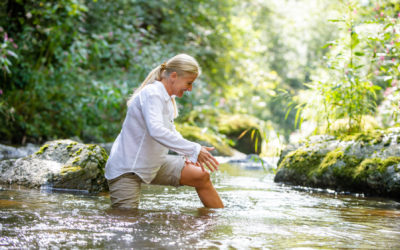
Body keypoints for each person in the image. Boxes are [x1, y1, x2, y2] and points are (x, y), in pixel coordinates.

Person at [105, 54, 224, 209]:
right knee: (127, 223)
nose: (190, 88)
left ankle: (218, 220)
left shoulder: (165, 97)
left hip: (153, 163)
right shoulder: (152, 93)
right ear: (174, 76)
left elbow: (171, 131)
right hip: (127, 169)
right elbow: (156, 130)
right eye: (189, 82)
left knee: (201, 176)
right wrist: (194, 149)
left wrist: (188, 153)